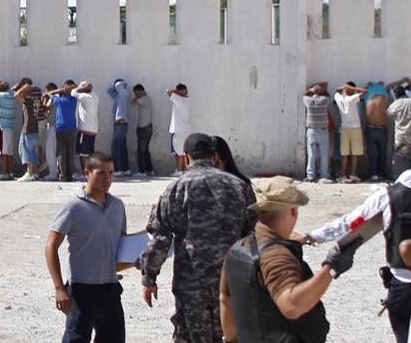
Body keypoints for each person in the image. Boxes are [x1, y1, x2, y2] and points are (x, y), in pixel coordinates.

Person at [304, 145, 411, 343]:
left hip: (403, 286)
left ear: (397, 165)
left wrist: (315, 236)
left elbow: (353, 222)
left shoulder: (388, 195)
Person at [140, 133, 257, 342]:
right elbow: (254, 234)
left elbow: (160, 238)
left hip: (192, 284)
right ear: (213, 156)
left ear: (186, 158)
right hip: (231, 282)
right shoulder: (239, 186)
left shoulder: (175, 189)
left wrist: (149, 277)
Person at [220, 177, 349, 343]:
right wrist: (331, 268)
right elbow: (291, 306)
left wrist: (231, 340)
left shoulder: (238, 248)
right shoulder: (277, 256)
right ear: (293, 211)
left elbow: (225, 301)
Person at [45, 153, 126, 343]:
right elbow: (51, 246)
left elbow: (120, 246)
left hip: (110, 287)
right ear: (86, 173)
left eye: (111, 173)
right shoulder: (73, 206)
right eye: (101, 173)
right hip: (82, 290)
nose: (107, 179)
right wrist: (59, 288)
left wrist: (136, 259)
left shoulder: (117, 206)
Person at [332, 82, 367, 183]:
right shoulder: (353, 98)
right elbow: (365, 91)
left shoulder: (338, 98)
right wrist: (352, 87)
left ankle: (343, 174)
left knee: (344, 154)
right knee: (355, 153)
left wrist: (343, 88)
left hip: (344, 128)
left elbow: (336, 92)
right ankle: (353, 174)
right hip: (355, 128)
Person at [47, 81, 79, 182]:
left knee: (61, 154)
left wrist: (61, 89)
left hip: (60, 129)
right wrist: (67, 89)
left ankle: (63, 176)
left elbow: (49, 93)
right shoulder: (74, 99)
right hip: (72, 129)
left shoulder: (58, 100)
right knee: (70, 153)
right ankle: (70, 175)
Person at [302, 83, 334, 183]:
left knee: (311, 154)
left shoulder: (308, 101)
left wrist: (311, 90)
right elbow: (329, 96)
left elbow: (304, 95)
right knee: (324, 154)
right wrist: (323, 90)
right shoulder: (324, 100)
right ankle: (323, 175)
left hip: (311, 130)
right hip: (323, 130)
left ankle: (310, 176)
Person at [363, 81, 391, 182]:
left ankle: (374, 173)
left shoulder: (368, 101)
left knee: (373, 153)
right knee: (382, 153)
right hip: (382, 129)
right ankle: (381, 173)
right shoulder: (385, 100)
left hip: (370, 128)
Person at [71, 81, 99, 174]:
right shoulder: (95, 96)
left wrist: (79, 88)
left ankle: (85, 173)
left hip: (85, 129)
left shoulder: (84, 97)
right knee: (90, 153)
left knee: (83, 154)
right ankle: (90, 172)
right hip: (93, 129)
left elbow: (73, 92)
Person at [107, 79, 133, 177]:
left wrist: (122, 83)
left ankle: (116, 169)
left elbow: (117, 85)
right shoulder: (119, 96)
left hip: (121, 123)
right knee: (122, 148)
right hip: (120, 124)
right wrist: (115, 86)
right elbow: (109, 91)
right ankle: (125, 169)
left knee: (115, 147)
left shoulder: (124, 94)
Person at [16, 80, 39, 182]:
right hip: (35, 128)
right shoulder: (37, 100)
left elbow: (16, 95)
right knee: (33, 152)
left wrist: (24, 88)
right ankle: (33, 173)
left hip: (28, 128)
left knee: (27, 151)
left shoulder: (28, 100)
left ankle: (29, 173)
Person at [166, 84, 192, 174]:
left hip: (178, 129)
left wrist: (178, 92)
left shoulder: (178, 99)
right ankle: (184, 169)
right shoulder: (187, 100)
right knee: (184, 150)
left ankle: (179, 170)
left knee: (179, 151)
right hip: (186, 129)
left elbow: (168, 91)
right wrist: (182, 93)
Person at [131, 84, 154, 176]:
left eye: (136, 93)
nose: (136, 96)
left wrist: (137, 98)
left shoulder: (144, 99)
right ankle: (150, 169)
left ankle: (142, 171)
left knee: (141, 150)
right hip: (147, 127)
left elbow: (132, 103)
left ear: (141, 91)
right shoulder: (147, 99)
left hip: (144, 128)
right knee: (145, 150)